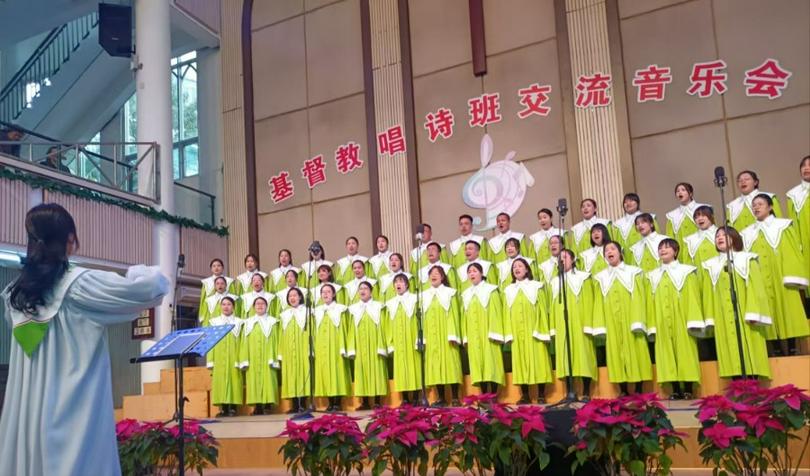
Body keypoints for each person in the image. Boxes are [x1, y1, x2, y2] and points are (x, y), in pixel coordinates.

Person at [0, 203, 168, 476]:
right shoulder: (79, 285)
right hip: (72, 415)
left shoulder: (15, 295)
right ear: (70, 240)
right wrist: (140, 271)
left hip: (27, 418)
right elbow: (150, 289)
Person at [742, 194, 809, 355]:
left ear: (770, 206)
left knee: (787, 308)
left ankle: (792, 347)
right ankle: (776, 349)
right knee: (767, 311)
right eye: (754, 205)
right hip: (761, 278)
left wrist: (791, 276)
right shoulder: (747, 233)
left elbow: (792, 252)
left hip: (780, 275)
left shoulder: (783, 226)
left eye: (760, 204)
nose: (756, 207)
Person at [701, 227, 772, 379]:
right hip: (723, 316)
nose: (719, 238)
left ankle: (753, 386)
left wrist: (753, 311)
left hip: (746, 313)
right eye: (717, 236)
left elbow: (756, 288)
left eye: (724, 235)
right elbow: (708, 294)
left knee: (750, 349)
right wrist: (711, 317)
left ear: (734, 237)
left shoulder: (747, 259)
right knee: (729, 352)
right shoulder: (710, 265)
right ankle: (737, 386)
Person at [645, 239, 705, 400]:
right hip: (662, 318)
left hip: (681, 316)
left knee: (685, 351)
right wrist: (652, 324)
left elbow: (693, 297)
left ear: (676, 251)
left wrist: (693, 319)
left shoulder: (687, 271)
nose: (663, 250)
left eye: (667, 247)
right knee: (667, 353)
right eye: (660, 248)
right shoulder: (652, 276)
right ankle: (675, 388)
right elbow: (650, 302)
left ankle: (688, 388)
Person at [592, 241, 652, 396]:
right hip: (611, 320)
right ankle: (623, 390)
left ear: (620, 252)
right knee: (615, 352)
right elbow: (598, 303)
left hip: (631, 318)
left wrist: (637, 320)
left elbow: (639, 297)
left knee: (636, 350)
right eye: (606, 250)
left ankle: (638, 389)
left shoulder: (634, 272)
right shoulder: (601, 278)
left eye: (612, 249)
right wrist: (601, 325)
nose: (609, 252)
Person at [549, 249, 597, 401]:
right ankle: (570, 391)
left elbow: (590, 301)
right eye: (559, 259)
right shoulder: (555, 281)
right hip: (562, 323)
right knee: (566, 355)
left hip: (580, 321)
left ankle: (587, 392)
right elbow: (552, 305)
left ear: (573, 259)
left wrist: (589, 324)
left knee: (583, 354)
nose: (562, 261)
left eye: (565, 257)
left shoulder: (584, 278)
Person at [503, 258, 553, 404]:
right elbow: (506, 312)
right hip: (517, 331)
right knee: (520, 361)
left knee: (539, 360)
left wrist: (541, 329)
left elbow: (542, 309)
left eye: (520, 266)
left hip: (534, 330)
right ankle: (525, 395)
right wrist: (509, 332)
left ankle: (541, 394)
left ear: (527, 269)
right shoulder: (508, 290)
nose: (516, 269)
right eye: (514, 267)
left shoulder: (537, 286)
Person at [461, 262, 506, 395]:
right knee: (478, 364)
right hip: (473, 334)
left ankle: (493, 395)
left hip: (488, 332)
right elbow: (464, 316)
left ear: (482, 273)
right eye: (469, 272)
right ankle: (484, 395)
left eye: (475, 271)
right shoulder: (466, 294)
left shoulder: (491, 290)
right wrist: (465, 335)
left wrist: (495, 332)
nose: (472, 274)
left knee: (491, 362)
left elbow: (496, 312)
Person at [422, 266, 462, 406]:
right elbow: (422, 318)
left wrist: (453, 333)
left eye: (437, 273)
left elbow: (454, 314)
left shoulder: (450, 293)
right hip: (432, 335)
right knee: (436, 365)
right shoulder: (424, 295)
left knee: (450, 363)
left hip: (446, 334)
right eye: (431, 273)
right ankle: (441, 398)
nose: (433, 275)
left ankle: (456, 397)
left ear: (443, 276)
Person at [347, 281, 388, 410]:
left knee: (376, 369)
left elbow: (383, 326)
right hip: (360, 344)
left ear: (371, 291)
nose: (362, 291)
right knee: (362, 371)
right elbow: (351, 329)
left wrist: (382, 345)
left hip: (375, 342)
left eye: (365, 288)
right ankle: (364, 401)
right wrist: (351, 347)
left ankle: (377, 401)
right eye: (360, 289)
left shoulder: (379, 306)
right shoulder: (353, 309)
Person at [313, 284, 352, 412]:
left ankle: (337, 402)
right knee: (325, 372)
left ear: (334, 294)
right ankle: (330, 402)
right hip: (321, 346)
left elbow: (345, 329)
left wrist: (343, 346)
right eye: (323, 292)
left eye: (328, 292)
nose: (325, 294)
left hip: (336, 345)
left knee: (337, 372)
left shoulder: (341, 309)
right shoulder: (317, 311)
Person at [385, 273, 422, 405]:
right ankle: (405, 398)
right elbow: (388, 324)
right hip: (398, 340)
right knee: (400, 368)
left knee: (414, 365)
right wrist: (390, 343)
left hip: (411, 337)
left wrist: (419, 338)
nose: (398, 284)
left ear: (407, 284)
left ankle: (417, 397)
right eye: (396, 282)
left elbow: (419, 321)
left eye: (401, 281)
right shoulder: (390, 304)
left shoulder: (414, 299)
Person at [239, 297, 280, 415]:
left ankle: (267, 406)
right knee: (253, 380)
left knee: (268, 379)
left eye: (262, 303)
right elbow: (244, 342)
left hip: (268, 356)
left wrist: (275, 356)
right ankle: (257, 406)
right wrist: (244, 358)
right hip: (253, 356)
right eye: (257, 303)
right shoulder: (247, 323)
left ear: (267, 306)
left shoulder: (273, 322)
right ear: (253, 307)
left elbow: (277, 340)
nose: (260, 305)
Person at [208, 297, 244, 417]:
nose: (226, 307)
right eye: (223, 304)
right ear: (220, 306)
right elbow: (210, 342)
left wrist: (241, 358)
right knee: (220, 381)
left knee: (234, 380)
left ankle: (233, 407)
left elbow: (242, 342)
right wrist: (211, 360)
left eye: (229, 304)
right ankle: (223, 408)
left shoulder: (239, 322)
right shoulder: (214, 322)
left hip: (234, 355)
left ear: (233, 306)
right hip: (218, 356)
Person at [279, 288, 310, 413]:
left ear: (300, 297)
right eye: (290, 296)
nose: (292, 298)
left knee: (303, 373)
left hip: (302, 347)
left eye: (295, 295)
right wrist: (280, 352)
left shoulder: (307, 312)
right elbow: (281, 334)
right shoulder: (284, 315)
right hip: (288, 349)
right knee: (290, 375)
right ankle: (294, 404)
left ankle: (303, 403)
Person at [786, 156, 810, 301]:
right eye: (803, 165)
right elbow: (793, 221)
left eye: (809, 165)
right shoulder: (793, 195)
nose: (806, 168)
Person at [665, 183, 707, 251]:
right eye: (677, 191)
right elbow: (670, 239)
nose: (680, 192)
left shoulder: (703, 208)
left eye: (683, 190)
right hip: (682, 252)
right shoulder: (672, 216)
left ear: (690, 193)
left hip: (702, 248)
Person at [198, 258, 235, 323]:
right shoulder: (206, 282)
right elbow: (203, 300)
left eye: (219, 265)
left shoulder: (229, 281)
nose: (216, 268)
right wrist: (202, 315)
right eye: (214, 266)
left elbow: (233, 297)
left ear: (223, 268)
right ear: (211, 269)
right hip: (212, 310)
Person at [683, 206, 719, 272]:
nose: (699, 219)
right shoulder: (689, 240)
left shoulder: (722, 234)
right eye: (696, 217)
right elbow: (688, 265)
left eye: (703, 215)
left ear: (711, 216)